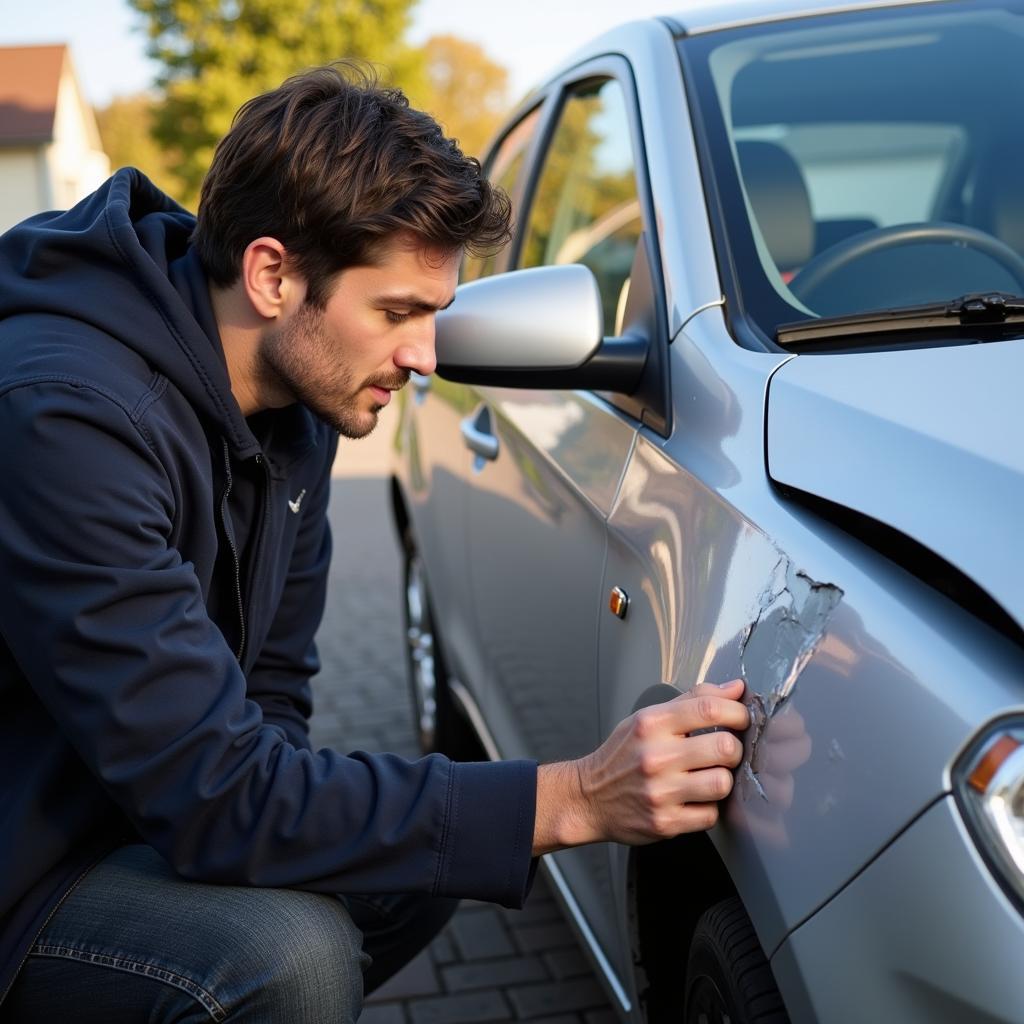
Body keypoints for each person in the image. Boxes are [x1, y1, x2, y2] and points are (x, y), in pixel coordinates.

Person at [0, 63, 750, 1022]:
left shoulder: (301, 404)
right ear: (273, 274)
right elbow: (214, 794)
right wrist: (571, 799)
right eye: (397, 313)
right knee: (288, 959)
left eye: (433, 315)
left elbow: (268, 705)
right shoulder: (68, 419)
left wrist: (475, 822)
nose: (425, 357)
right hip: (27, 870)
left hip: (132, 809)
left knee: (442, 862)